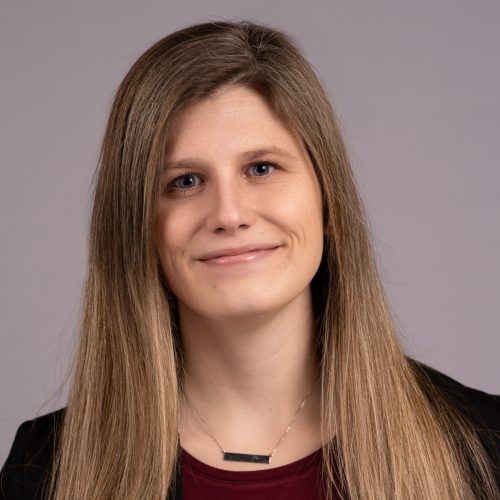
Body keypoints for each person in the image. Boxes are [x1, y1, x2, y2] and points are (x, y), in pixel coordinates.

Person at [0, 20, 499, 500]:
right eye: (185, 181)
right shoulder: (45, 468)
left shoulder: (485, 445)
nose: (229, 214)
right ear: (137, 229)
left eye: (262, 168)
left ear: (328, 201)